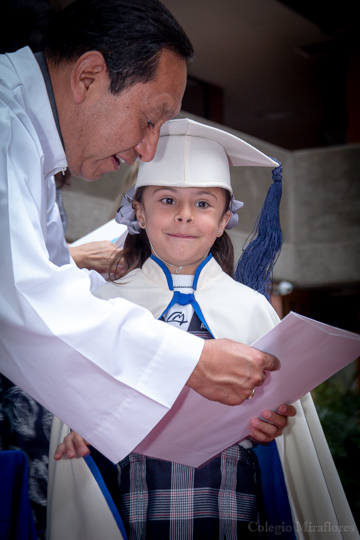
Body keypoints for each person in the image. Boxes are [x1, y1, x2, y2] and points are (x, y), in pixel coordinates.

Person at [0, 0, 280, 469]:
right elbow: (25, 298)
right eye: (149, 119)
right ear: (87, 77)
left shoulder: (33, 149)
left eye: (204, 204)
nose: (147, 148)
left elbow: (57, 283)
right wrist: (190, 361)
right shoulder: (7, 128)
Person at [47, 119, 358, 540]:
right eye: (167, 199)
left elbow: (285, 431)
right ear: (137, 211)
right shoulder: (104, 305)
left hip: (233, 498)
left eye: (204, 204)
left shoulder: (251, 310)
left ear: (226, 217)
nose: (184, 215)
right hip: (132, 498)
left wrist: (272, 425)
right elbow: (77, 415)